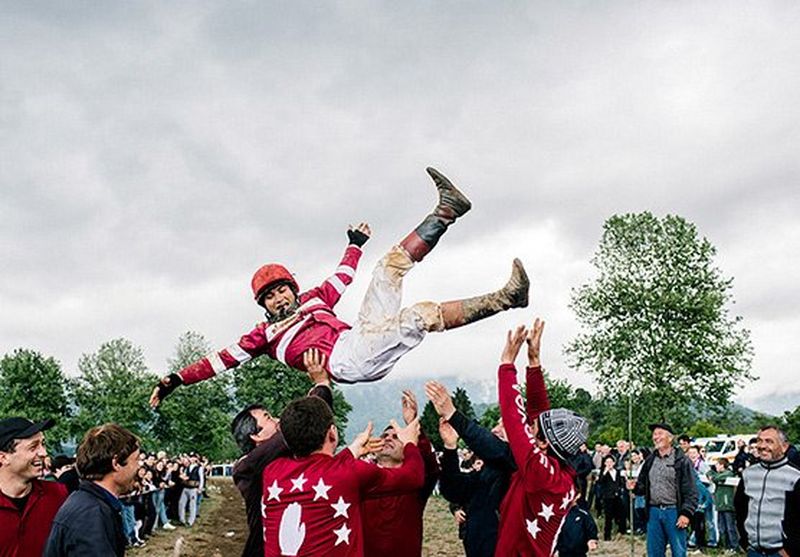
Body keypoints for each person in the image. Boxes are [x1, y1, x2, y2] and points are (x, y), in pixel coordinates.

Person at [150, 167, 530, 406]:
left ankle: (447, 209)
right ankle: (506, 299)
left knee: (386, 269)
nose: (279, 297)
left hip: (358, 337)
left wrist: (354, 245)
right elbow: (217, 361)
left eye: (281, 289)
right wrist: (176, 379)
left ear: (292, 289)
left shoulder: (315, 298)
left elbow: (343, 277)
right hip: (345, 361)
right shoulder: (262, 336)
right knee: (420, 315)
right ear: (263, 305)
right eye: (270, 296)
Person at [260, 396, 424, 556]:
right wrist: (410, 443)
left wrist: (352, 451)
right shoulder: (351, 473)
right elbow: (414, 476)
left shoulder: (271, 472)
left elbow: (321, 472)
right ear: (332, 433)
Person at [494, 318, 590, 557]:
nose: (530, 423)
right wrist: (534, 362)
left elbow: (514, 421)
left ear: (544, 443)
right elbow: (539, 415)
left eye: (534, 428)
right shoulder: (560, 473)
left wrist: (507, 366)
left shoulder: (542, 473)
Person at [231, 348, 333, 557]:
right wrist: (321, 384)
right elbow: (303, 425)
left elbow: (313, 429)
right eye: (268, 418)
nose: (277, 420)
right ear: (255, 436)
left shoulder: (286, 453)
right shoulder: (247, 468)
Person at [426, 380, 516, 557]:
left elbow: (496, 450)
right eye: (497, 424)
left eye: (504, 425)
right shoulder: (489, 468)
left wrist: (453, 414)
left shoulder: (515, 464)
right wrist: (450, 448)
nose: (495, 429)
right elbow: (454, 491)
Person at [362, 390, 440, 557]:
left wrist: (412, 424)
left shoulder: (415, 483)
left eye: (396, 437)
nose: (388, 438)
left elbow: (430, 465)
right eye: (385, 436)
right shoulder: (362, 479)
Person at [44, 424, 141, 557]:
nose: (139, 466)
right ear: (116, 463)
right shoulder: (90, 515)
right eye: (136, 460)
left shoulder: (88, 503)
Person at [0, 417, 68, 557]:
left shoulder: (59, 495)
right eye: (33, 447)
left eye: (43, 444)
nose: (43, 453)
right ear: (3, 458)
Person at [631, 423, 697, 557]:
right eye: (654, 434)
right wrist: (635, 487)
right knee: (654, 552)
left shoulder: (682, 461)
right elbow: (642, 487)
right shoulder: (650, 460)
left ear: (670, 438)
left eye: (659, 433)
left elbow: (691, 491)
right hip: (653, 512)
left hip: (674, 512)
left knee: (678, 552)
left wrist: (686, 513)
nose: (656, 437)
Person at [734, 425, 800, 557]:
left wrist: (790, 549)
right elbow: (740, 508)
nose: (762, 446)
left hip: (782, 552)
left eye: (769, 441)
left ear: (784, 447)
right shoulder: (748, 474)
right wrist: (745, 541)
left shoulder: (796, 476)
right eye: (759, 440)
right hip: (754, 551)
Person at [707, 458, 738, 550]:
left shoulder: (728, 474)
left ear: (722, 465)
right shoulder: (718, 474)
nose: (715, 466)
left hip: (727, 504)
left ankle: (734, 546)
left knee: (730, 527)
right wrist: (712, 474)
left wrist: (713, 478)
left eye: (717, 464)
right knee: (722, 527)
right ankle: (726, 545)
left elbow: (716, 478)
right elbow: (709, 474)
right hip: (720, 504)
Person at [598, 454, 627, 540]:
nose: (609, 464)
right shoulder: (603, 472)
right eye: (607, 462)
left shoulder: (617, 472)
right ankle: (607, 535)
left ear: (614, 463)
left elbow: (621, 482)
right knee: (608, 516)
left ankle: (622, 531)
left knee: (621, 514)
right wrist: (605, 472)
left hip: (617, 496)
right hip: (608, 497)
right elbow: (600, 482)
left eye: (611, 462)